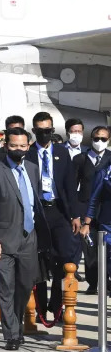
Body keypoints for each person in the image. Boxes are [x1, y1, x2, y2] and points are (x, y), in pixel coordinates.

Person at [0, 127, 43, 350]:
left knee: (25, 285)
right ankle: (12, 334)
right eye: (14, 146)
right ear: (6, 145)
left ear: (28, 146)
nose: (19, 149)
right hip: (4, 240)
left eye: (23, 146)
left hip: (29, 238)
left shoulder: (33, 169)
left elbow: (34, 203)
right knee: (5, 287)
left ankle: (16, 324)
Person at [24, 111, 78, 319]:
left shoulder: (62, 153)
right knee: (39, 260)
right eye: (40, 131)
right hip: (38, 211)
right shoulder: (28, 154)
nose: (45, 135)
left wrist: (74, 215)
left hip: (58, 210)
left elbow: (69, 186)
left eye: (48, 131)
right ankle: (40, 309)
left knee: (64, 257)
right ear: (35, 131)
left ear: (53, 130)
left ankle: (56, 305)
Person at [74, 126, 111, 294]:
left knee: (106, 249)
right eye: (96, 139)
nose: (99, 142)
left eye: (104, 139)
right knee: (89, 248)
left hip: (106, 211)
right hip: (86, 208)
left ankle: (106, 280)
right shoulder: (81, 159)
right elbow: (73, 186)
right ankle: (93, 281)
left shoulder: (110, 159)